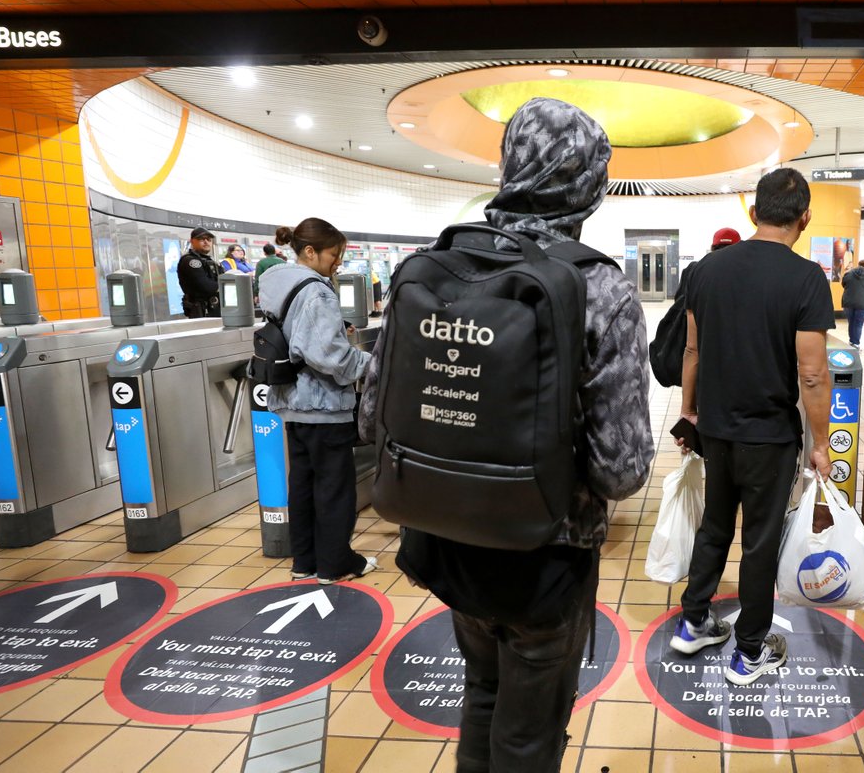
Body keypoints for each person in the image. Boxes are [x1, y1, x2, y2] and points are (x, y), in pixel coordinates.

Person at [359, 98, 653, 773]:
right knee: (530, 733)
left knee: (483, 693)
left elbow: (373, 415)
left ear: (509, 166)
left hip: (447, 539)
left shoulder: (435, 265)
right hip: (545, 551)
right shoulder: (597, 285)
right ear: (591, 183)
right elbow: (620, 470)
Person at [671, 167, 833, 686]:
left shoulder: (705, 271)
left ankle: (694, 622)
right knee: (759, 541)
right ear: (805, 217)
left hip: (716, 428)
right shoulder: (807, 278)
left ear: (752, 212)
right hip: (769, 435)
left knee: (715, 526)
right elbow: (811, 372)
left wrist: (688, 412)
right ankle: (749, 651)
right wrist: (821, 442)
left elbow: (691, 350)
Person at [259, 217, 377, 586]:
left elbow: (300, 334)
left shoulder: (277, 284)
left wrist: (337, 330)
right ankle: (334, 564)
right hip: (324, 406)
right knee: (334, 490)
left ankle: (304, 561)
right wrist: (372, 365)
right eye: (333, 254)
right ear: (310, 252)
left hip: (292, 404)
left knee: (304, 487)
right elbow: (330, 357)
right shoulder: (318, 291)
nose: (337, 262)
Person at [649, 227, 740, 386]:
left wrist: (687, 407)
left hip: (701, 349)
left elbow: (681, 303)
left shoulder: (695, 270)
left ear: (712, 248)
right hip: (733, 356)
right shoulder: (744, 273)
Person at [177, 227, 221, 318]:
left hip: (214, 310)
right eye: (201, 239)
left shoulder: (210, 261)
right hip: (201, 310)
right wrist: (222, 285)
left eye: (209, 239)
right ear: (192, 241)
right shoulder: (190, 261)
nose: (206, 242)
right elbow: (206, 286)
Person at [841, 259, 864, 348]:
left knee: (851, 322)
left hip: (849, 303)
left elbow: (844, 284)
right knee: (858, 324)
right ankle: (855, 343)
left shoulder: (848, 274)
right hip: (863, 304)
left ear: (858, 264)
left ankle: (852, 341)